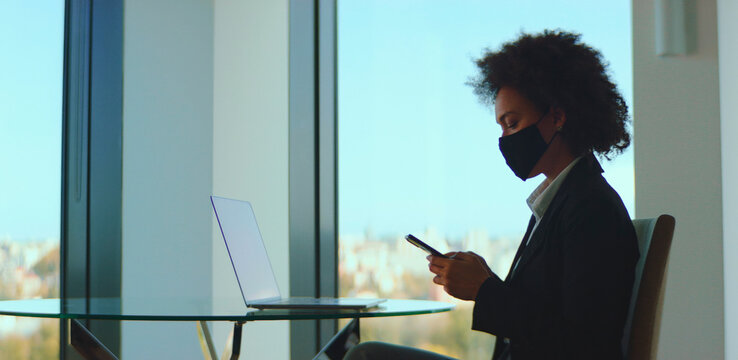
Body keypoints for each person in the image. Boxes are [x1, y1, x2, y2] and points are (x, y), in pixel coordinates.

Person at [344, 30, 638, 360]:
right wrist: (484, 281)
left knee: (364, 356)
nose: (505, 140)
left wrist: (484, 291)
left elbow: (582, 342)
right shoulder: (563, 201)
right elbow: (545, 311)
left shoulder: (590, 209)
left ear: (557, 117)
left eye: (512, 124)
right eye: (501, 127)